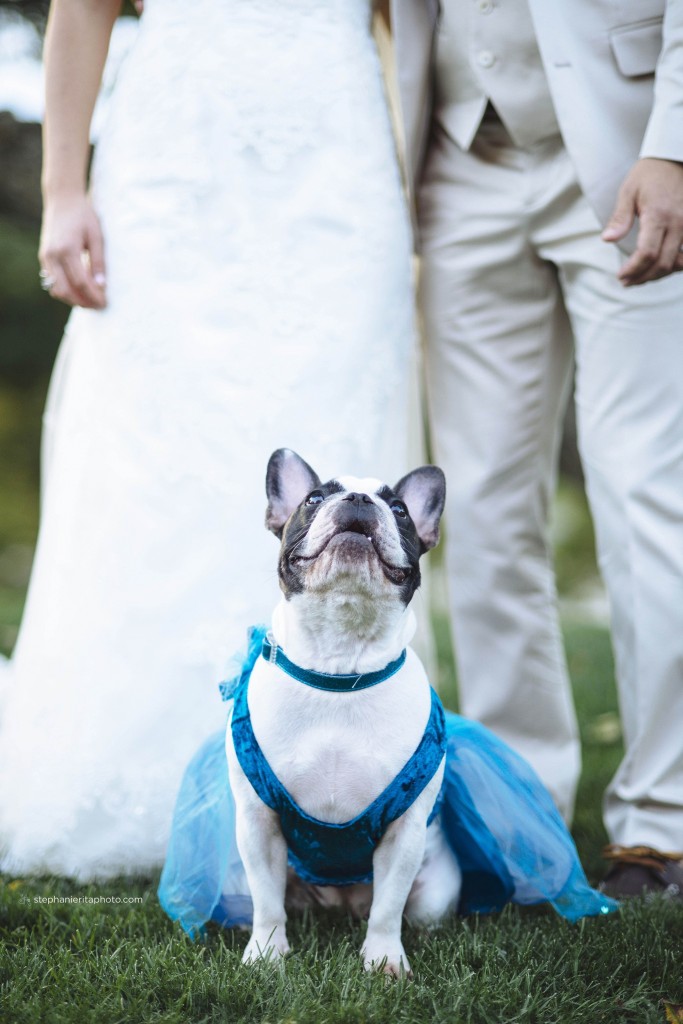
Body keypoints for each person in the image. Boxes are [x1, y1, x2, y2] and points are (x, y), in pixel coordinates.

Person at [0, 0, 418, 879]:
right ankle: (128, 776)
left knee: (335, 442)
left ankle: (336, 785)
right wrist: (63, 190)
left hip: (339, 162)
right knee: (154, 459)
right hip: (174, 158)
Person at [389, 0, 683, 898]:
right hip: (455, 164)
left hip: (628, 144)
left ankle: (662, 825)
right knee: (474, 507)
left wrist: (672, 145)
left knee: (644, 490)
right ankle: (522, 807)